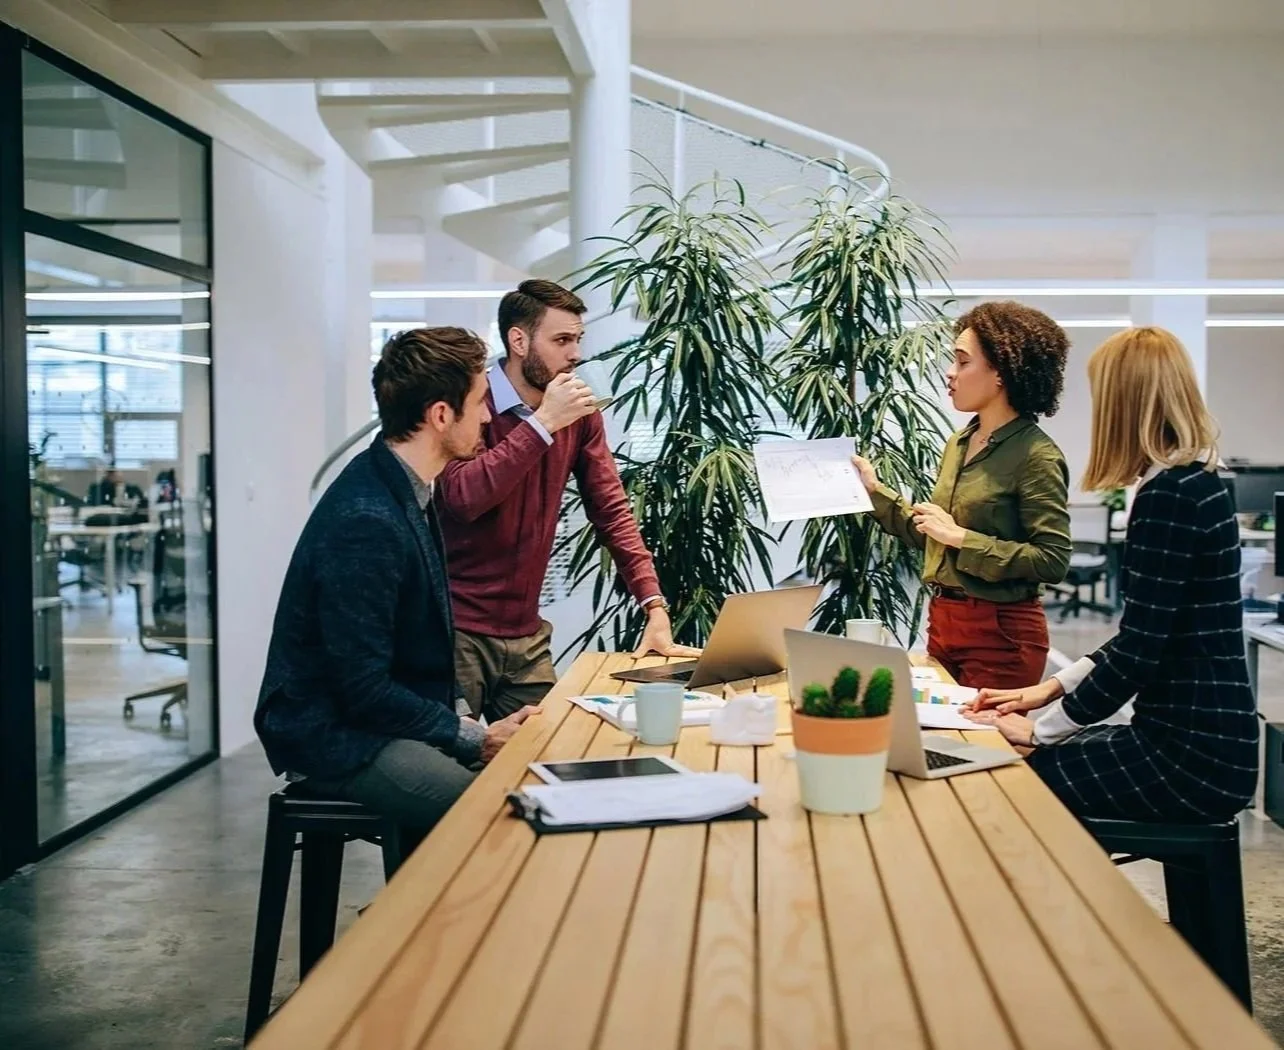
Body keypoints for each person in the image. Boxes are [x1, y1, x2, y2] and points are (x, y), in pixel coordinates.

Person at [255, 327, 539, 865]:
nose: (488, 417)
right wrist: (470, 737)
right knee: (498, 817)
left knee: (518, 787)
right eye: (481, 401)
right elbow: (362, 689)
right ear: (440, 415)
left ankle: (435, 912)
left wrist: (469, 726)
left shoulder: (404, 486)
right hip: (335, 733)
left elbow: (416, 651)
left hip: (370, 720)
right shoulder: (368, 517)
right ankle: (415, 918)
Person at [965, 327, 1259, 822]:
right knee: (1033, 766)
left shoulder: (1169, 494)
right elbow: (1143, 636)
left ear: (1123, 402)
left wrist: (1042, 730)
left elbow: (1139, 652)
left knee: (1017, 785)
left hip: (1189, 758)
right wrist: (1052, 689)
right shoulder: (1195, 480)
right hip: (1205, 743)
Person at [436, 279, 698, 722]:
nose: (575, 354)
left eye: (578, 339)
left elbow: (611, 508)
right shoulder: (473, 404)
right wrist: (542, 424)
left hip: (526, 633)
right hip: (456, 631)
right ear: (518, 341)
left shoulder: (578, 411)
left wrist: (653, 604)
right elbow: (464, 497)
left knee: (549, 749)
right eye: (561, 340)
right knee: (453, 758)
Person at [852, 301, 1072, 688]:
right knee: (940, 727)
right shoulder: (960, 442)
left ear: (1001, 371)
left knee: (982, 729)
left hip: (1001, 634)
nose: (950, 373)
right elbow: (933, 534)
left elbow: (1052, 560)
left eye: (962, 361)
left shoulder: (1037, 455)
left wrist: (961, 538)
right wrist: (874, 492)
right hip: (944, 621)